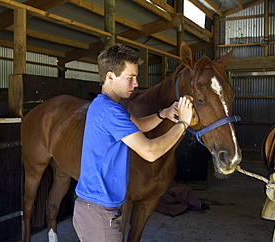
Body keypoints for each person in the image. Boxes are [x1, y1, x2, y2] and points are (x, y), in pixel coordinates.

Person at [73, 43, 193, 242]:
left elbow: (139, 125)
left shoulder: (107, 105)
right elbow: (151, 151)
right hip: (100, 214)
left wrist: (162, 114)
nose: (136, 84)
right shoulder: (110, 111)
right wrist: (183, 124)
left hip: (96, 208)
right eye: (130, 78)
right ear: (110, 76)